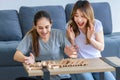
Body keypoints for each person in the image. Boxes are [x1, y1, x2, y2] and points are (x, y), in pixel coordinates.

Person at [13, 10, 76, 80]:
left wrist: (71, 54)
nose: (44, 31)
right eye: (40, 28)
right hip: (44, 78)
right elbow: (16, 55)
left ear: (51, 24)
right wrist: (27, 59)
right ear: (35, 25)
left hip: (62, 78)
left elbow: (73, 56)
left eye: (47, 27)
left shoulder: (58, 34)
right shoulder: (30, 36)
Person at [66, 0, 116, 80]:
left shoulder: (96, 24)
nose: (79, 20)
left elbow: (101, 47)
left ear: (88, 15)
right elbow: (72, 54)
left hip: (97, 62)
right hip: (81, 64)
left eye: (83, 16)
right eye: (76, 15)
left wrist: (90, 39)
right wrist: (72, 40)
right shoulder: (70, 26)